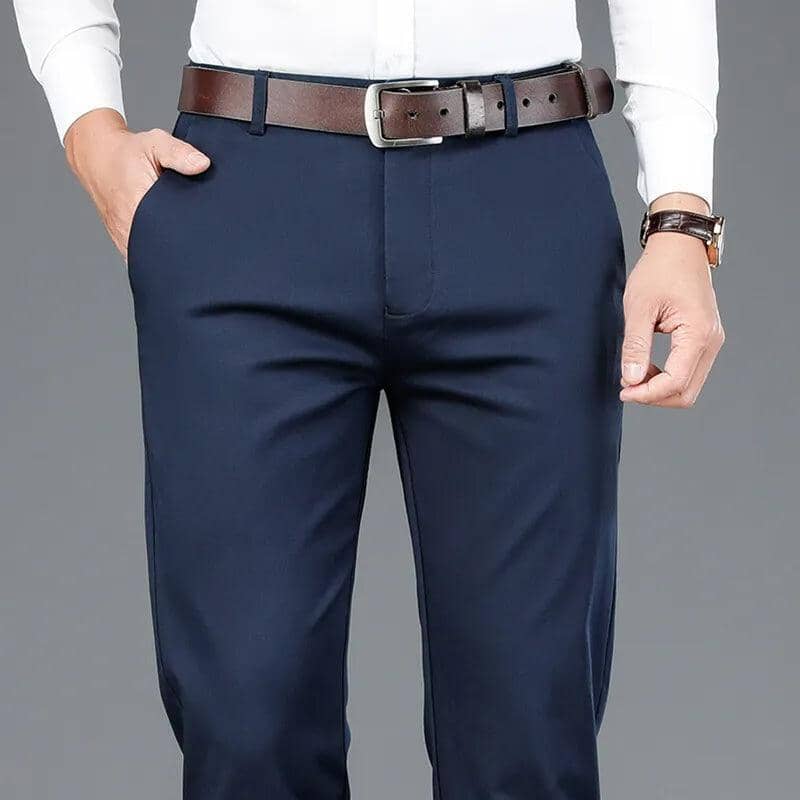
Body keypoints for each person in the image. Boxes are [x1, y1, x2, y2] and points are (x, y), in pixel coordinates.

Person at [12, 1, 725, 798]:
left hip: (524, 189)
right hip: (249, 190)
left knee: (529, 734)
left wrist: (681, 214)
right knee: (249, 728)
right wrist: (88, 126)